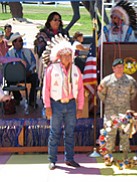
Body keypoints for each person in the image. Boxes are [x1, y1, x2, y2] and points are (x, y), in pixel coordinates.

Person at [42, 34, 84, 170]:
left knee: (70, 132)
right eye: (65, 55)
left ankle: (69, 158)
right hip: (56, 103)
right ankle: (52, 160)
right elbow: (46, 89)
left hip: (71, 103)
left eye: (69, 54)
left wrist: (80, 107)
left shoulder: (76, 71)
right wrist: (47, 106)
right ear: (59, 56)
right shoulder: (52, 70)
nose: (67, 57)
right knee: (54, 132)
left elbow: (81, 90)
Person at [97, 58, 137, 164]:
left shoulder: (130, 81)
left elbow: (133, 94)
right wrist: (109, 103)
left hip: (125, 111)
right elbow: (101, 94)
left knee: (125, 134)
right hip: (111, 112)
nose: (120, 69)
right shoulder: (106, 81)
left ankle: (125, 156)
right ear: (113, 68)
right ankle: (108, 157)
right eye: (117, 67)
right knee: (110, 135)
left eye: (122, 67)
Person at [6, 32, 39, 107]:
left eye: (22, 40)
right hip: (15, 76)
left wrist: (30, 71)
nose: (22, 42)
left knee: (35, 78)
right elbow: (6, 67)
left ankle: (32, 100)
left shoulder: (28, 51)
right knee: (9, 80)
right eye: (20, 41)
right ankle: (17, 98)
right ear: (14, 43)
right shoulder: (9, 53)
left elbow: (34, 64)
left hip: (27, 74)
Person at [34, 12, 69, 82]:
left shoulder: (64, 33)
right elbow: (41, 49)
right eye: (55, 20)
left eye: (59, 20)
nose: (57, 22)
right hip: (47, 58)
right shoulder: (43, 33)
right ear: (50, 21)